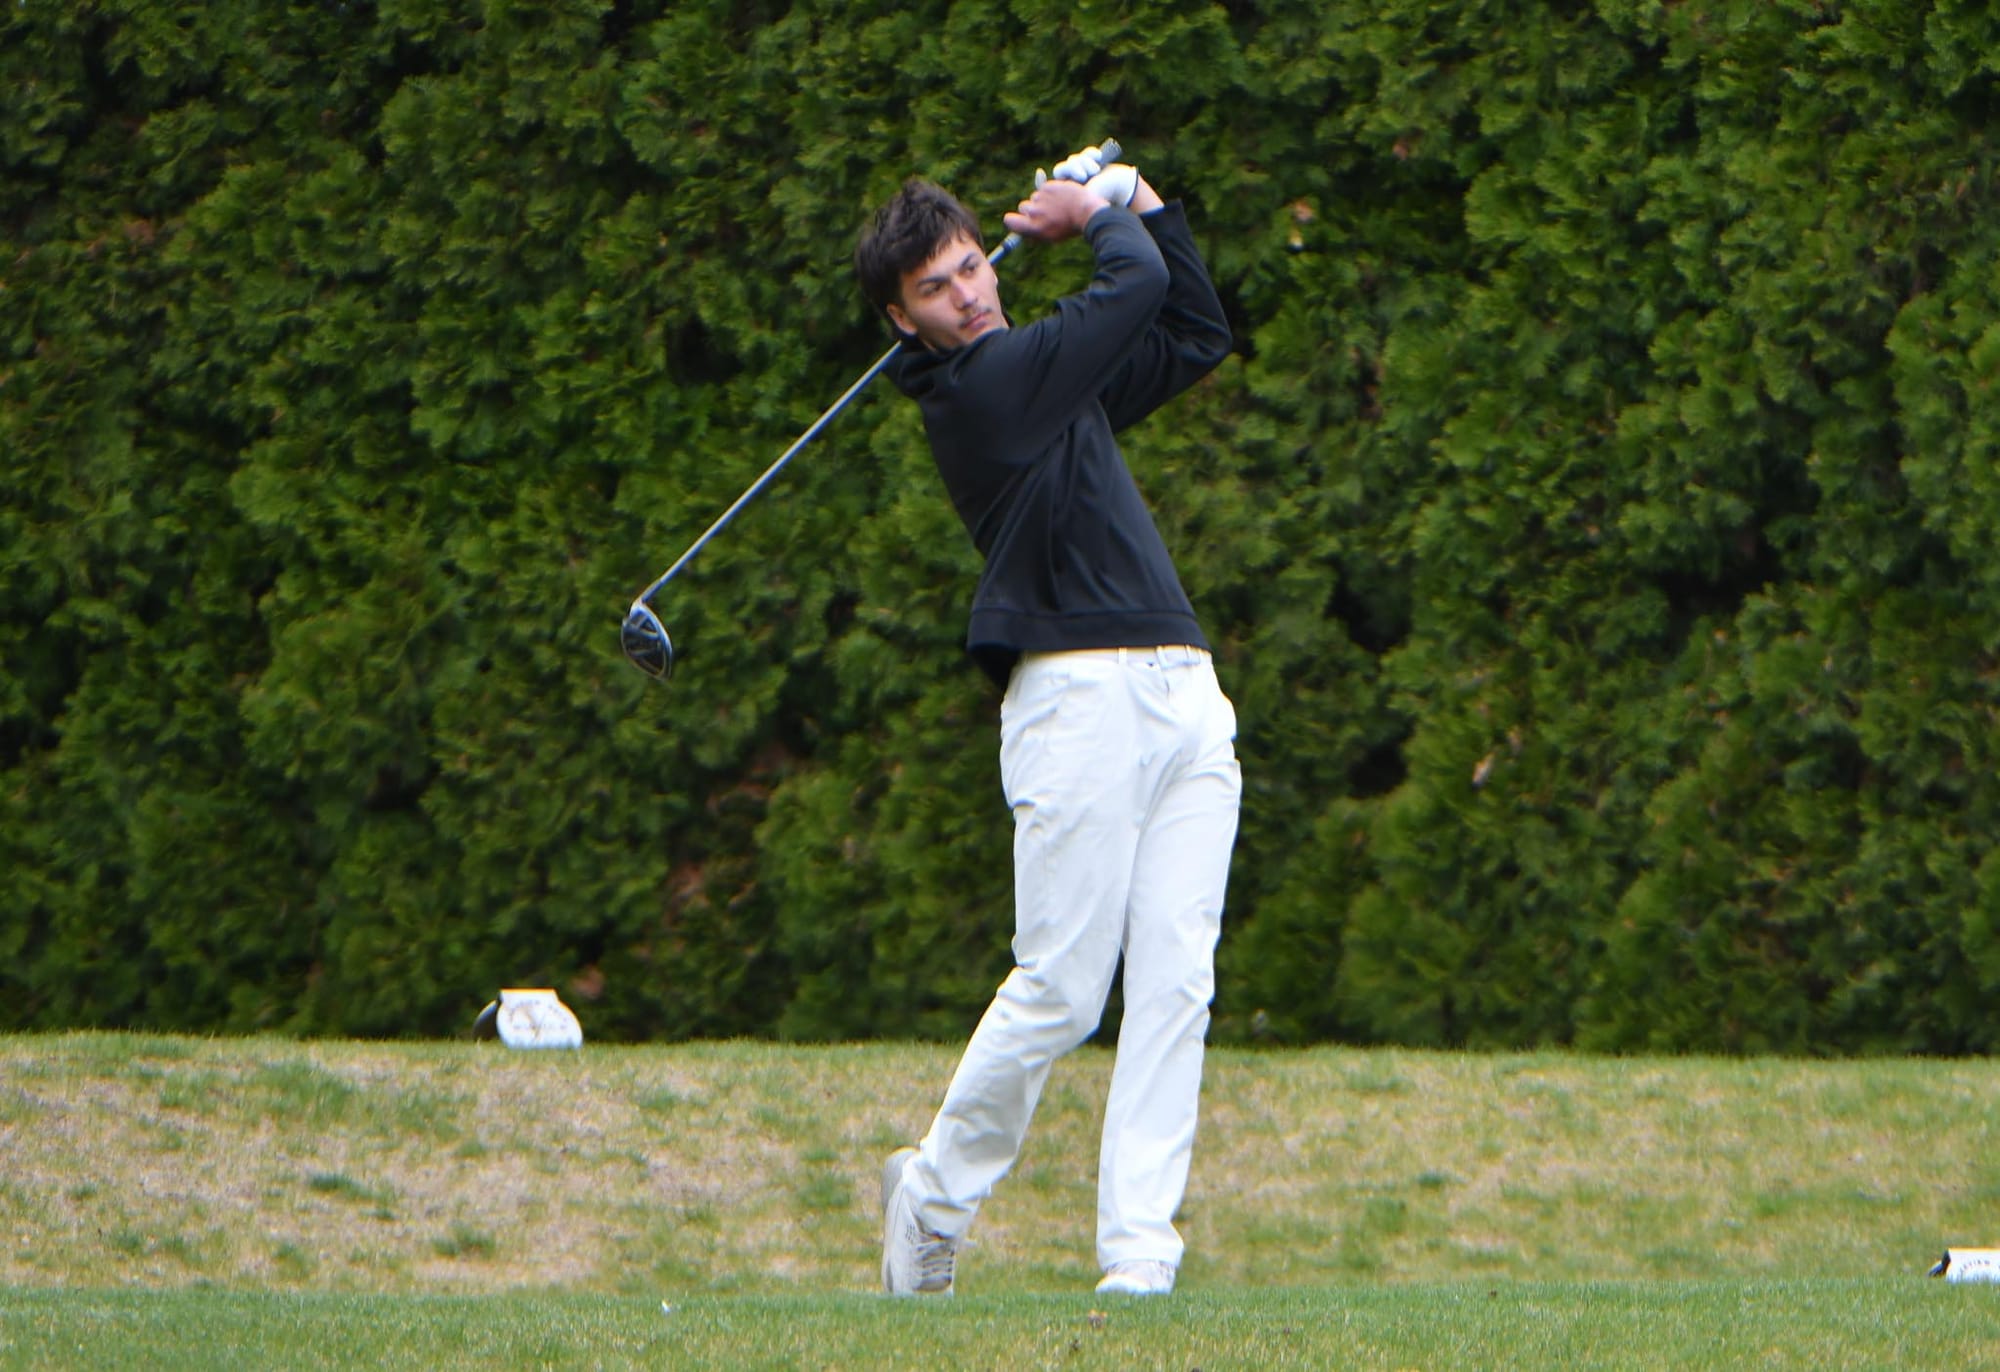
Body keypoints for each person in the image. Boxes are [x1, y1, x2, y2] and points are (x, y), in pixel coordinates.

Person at [852, 145, 1241, 1299]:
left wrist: (1149, 203)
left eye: (973, 267)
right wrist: (1099, 207)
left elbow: (1190, 331)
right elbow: (1124, 291)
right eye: (936, 287)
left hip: (1181, 690)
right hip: (1073, 697)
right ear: (901, 318)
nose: (968, 293)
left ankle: (1138, 1258)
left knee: (1174, 982)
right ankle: (933, 1189)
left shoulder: (1038, 375)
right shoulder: (977, 391)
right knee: (1064, 988)